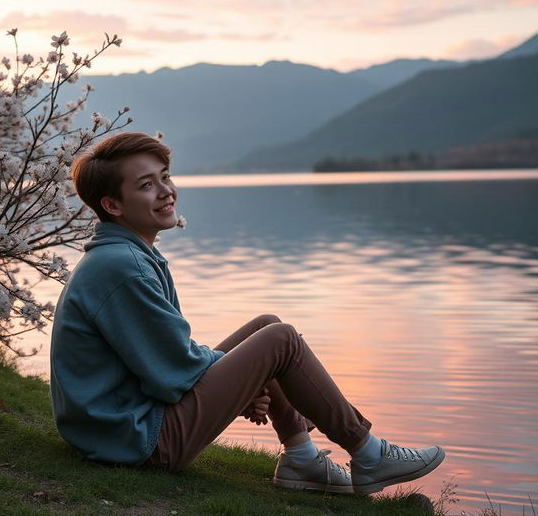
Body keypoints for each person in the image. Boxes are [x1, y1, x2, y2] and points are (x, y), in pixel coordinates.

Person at [50, 132, 445, 495]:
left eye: (165, 177)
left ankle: (301, 458)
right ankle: (369, 453)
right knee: (280, 339)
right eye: (146, 185)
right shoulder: (123, 267)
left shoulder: (127, 256)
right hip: (135, 440)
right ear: (112, 205)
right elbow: (172, 371)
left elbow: (166, 361)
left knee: (266, 327)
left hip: (124, 423)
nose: (166, 192)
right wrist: (248, 383)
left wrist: (247, 380)